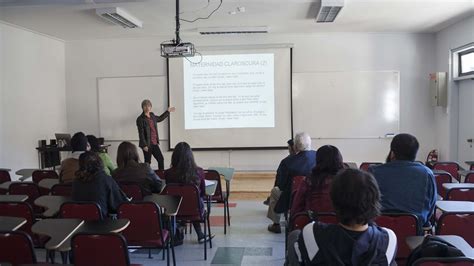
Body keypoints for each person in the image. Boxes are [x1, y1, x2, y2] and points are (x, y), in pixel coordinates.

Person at [287, 169, 397, 266]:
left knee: (294, 236)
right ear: (375, 200)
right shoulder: (388, 239)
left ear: (334, 200)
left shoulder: (311, 233)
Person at [369, 133, 437, 229]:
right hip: (415, 232)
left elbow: (366, 204)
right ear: (415, 154)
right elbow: (431, 205)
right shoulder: (427, 173)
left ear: (392, 153)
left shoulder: (373, 171)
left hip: (378, 230)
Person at [267, 132, 317, 233]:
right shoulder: (319, 157)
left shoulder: (287, 162)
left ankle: (276, 224)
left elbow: (280, 185)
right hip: (315, 196)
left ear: (295, 146)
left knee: (275, 191)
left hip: (292, 198)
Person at [164, 142, 214, 243]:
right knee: (193, 201)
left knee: (183, 201)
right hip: (195, 210)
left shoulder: (168, 173)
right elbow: (203, 193)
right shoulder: (199, 171)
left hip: (175, 210)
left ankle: (180, 227)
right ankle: (200, 234)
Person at [290, 145, 344, 219]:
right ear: (339, 159)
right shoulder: (347, 182)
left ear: (317, 160)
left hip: (312, 225)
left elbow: (296, 210)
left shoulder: (308, 181)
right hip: (341, 226)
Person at [72, 151, 128, 219]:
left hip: (78, 223)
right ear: (99, 162)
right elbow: (118, 204)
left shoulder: (76, 182)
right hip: (102, 224)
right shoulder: (105, 179)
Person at [136, 99, 175, 170]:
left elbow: (160, 118)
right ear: (142, 107)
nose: (147, 108)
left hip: (154, 143)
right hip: (147, 144)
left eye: (148, 106)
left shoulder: (152, 115)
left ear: (151, 107)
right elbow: (141, 133)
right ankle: (146, 177)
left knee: (160, 159)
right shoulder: (140, 119)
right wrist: (144, 145)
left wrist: (168, 111)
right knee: (147, 162)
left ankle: (161, 176)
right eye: (145, 106)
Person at [263, 138, 296, 205]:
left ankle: (274, 212)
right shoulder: (311, 159)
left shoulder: (286, 162)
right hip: (305, 191)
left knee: (276, 189)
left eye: (288, 147)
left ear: (292, 148)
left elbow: (280, 180)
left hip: (288, 192)